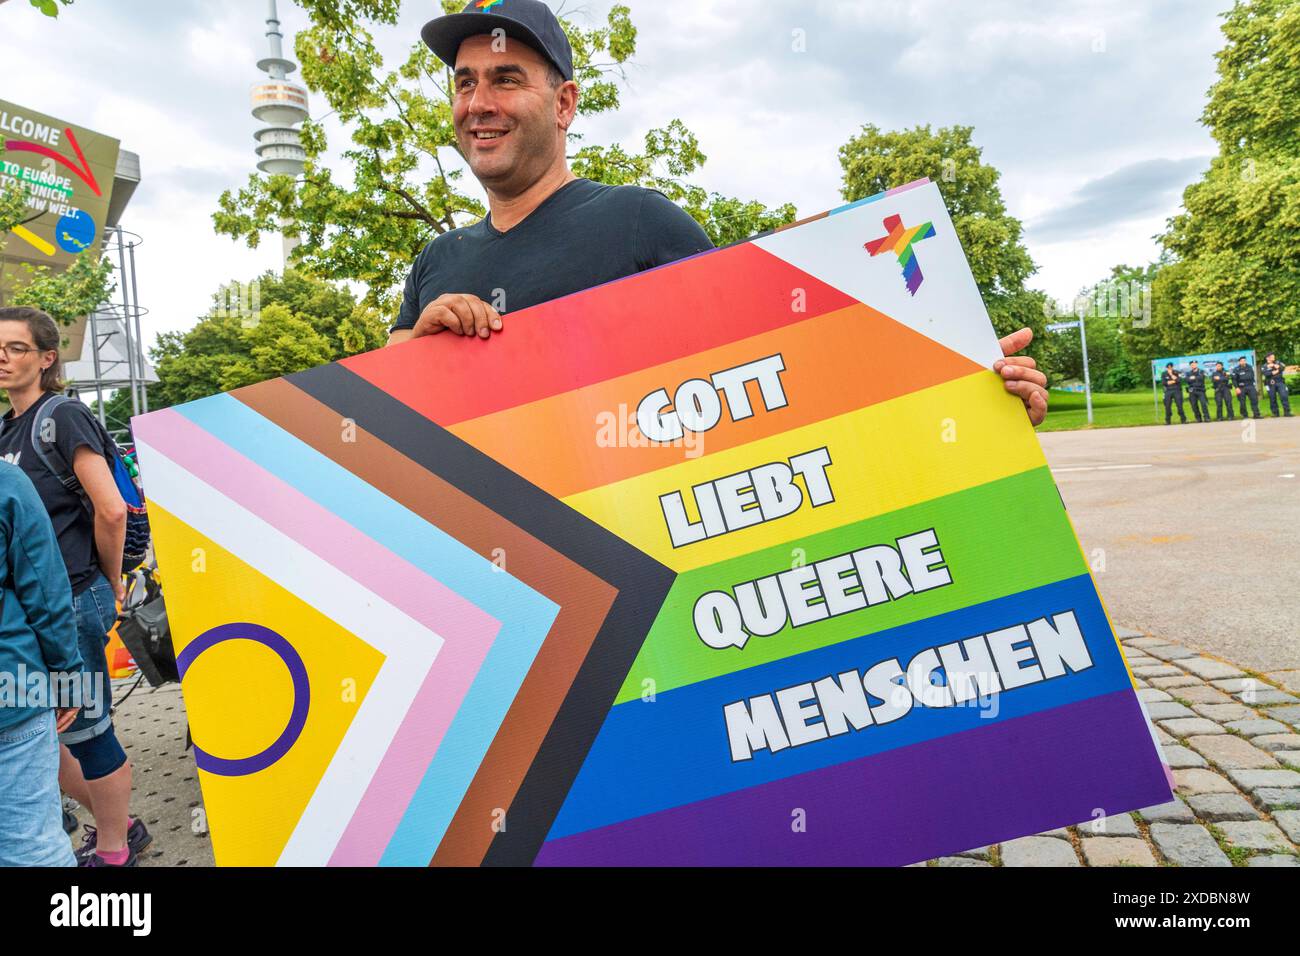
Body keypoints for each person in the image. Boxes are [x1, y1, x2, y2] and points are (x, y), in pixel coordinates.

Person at [389, 0, 1050, 425]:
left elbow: (778, 368)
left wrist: (961, 386)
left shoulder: (639, 224)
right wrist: (417, 359)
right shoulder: (435, 264)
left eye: (506, 79)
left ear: (563, 105)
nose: (478, 101)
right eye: (465, 81)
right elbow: (383, 430)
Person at [0, 306, 150, 867]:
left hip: (73, 596)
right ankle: (120, 823)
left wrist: (110, 584)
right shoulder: (7, 428)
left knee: (86, 728)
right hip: (34, 610)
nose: (3, 357)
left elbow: (110, 510)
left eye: (16, 347)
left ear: (46, 358)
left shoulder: (60, 416)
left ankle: (115, 850)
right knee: (44, 725)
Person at [0, 460, 82, 867]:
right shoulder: (6, 481)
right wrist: (69, 680)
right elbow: (47, 593)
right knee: (32, 847)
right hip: (11, 688)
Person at [1263, 353, 1292, 418]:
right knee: (1272, 398)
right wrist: (1276, 371)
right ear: (1267, 358)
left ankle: (1287, 412)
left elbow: (1283, 367)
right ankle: (1275, 413)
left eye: (1274, 356)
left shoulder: (1278, 362)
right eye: (1272, 357)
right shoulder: (1264, 366)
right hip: (1270, 384)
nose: (1274, 358)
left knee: (1284, 396)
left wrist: (1276, 366)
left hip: (1280, 382)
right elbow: (1266, 373)